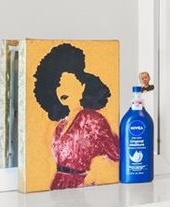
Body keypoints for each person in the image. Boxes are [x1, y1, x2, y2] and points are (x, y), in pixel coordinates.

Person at [32, 42, 119, 189]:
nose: (61, 89)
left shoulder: (92, 120)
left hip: (80, 188)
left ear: (82, 85)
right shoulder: (61, 125)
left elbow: (117, 155)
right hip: (58, 186)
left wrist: (96, 173)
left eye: (66, 82)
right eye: (57, 84)